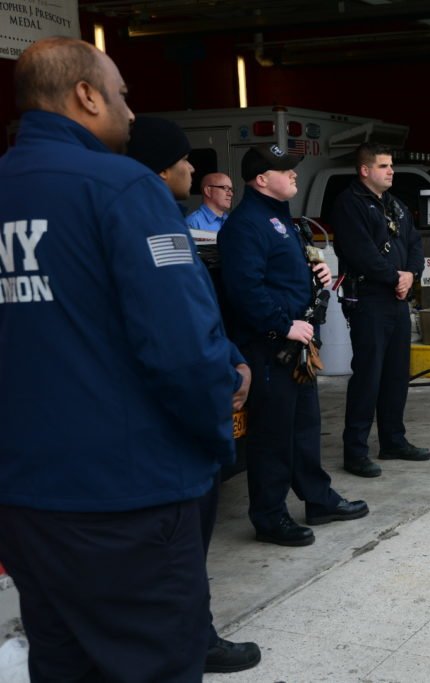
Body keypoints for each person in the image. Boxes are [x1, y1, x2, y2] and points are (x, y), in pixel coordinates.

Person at [0, 37, 238, 680]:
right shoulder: (121, 187)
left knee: (63, 662)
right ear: (86, 94)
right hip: (129, 501)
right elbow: (183, 349)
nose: (132, 115)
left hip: (26, 504)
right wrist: (219, 433)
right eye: (124, 95)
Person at [127, 115, 262, 674]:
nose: (192, 167)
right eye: (185, 160)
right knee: (181, 541)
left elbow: (197, 309)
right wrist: (224, 382)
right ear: (164, 167)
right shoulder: (150, 216)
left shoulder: (162, 215)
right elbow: (175, 324)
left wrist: (229, 352)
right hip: (175, 419)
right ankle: (192, 639)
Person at [218, 143, 369, 546]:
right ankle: (269, 517)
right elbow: (244, 290)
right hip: (270, 347)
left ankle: (318, 499)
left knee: (304, 427)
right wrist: (283, 324)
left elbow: (279, 276)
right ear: (262, 179)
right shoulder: (245, 225)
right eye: (285, 171)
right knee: (271, 436)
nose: (294, 175)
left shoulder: (283, 221)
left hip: (297, 346)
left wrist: (313, 273)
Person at [330, 142, 430, 478]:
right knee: (368, 377)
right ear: (365, 170)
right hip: (369, 300)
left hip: (397, 300)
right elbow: (361, 254)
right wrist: (395, 277)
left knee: (396, 375)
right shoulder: (349, 205)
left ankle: (393, 440)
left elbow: (415, 244)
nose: (391, 171)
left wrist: (411, 274)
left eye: (391, 166)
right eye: (384, 166)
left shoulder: (395, 206)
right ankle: (355, 452)